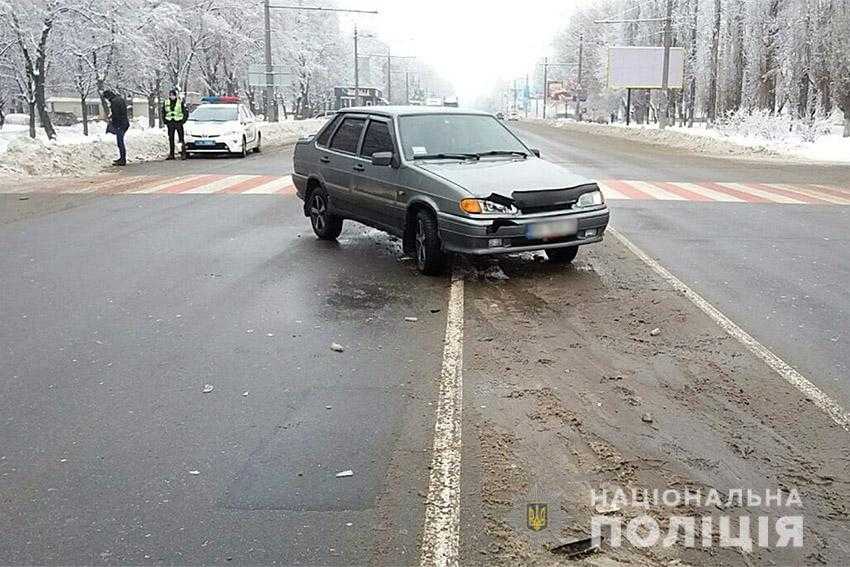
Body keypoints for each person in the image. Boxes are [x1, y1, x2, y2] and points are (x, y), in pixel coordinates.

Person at [102, 90, 129, 166]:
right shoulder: (119, 99)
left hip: (120, 124)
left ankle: (122, 160)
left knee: (120, 142)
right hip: (124, 123)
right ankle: (122, 158)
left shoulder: (114, 102)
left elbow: (116, 115)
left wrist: (113, 124)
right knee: (120, 142)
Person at [162, 89, 188, 160]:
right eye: (170, 95)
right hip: (170, 122)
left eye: (173, 95)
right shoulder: (166, 102)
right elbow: (163, 112)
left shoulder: (180, 102)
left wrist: (183, 121)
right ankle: (171, 154)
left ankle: (183, 153)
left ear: (175, 95)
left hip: (178, 122)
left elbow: (185, 112)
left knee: (181, 139)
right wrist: (165, 121)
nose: (171, 96)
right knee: (171, 139)